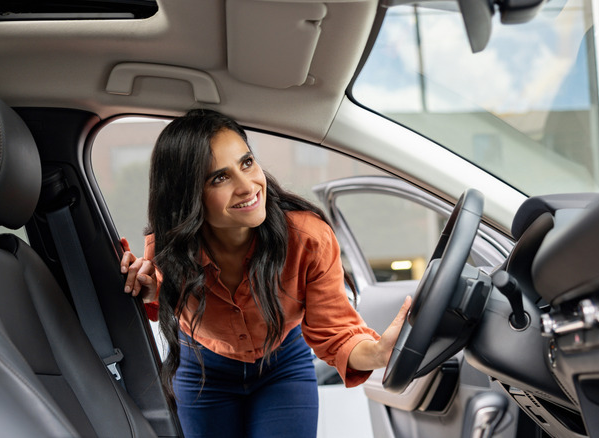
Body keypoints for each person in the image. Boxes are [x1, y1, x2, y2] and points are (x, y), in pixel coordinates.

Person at [120, 109, 411, 438]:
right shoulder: (167, 249)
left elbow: (336, 333)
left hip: (282, 365)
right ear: (188, 195)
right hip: (201, 370)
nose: (248, 186)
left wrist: (378, 353)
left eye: (246, 163)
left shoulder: (308, 239)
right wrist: (147, 289)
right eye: (219, 177)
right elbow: (163, 292)